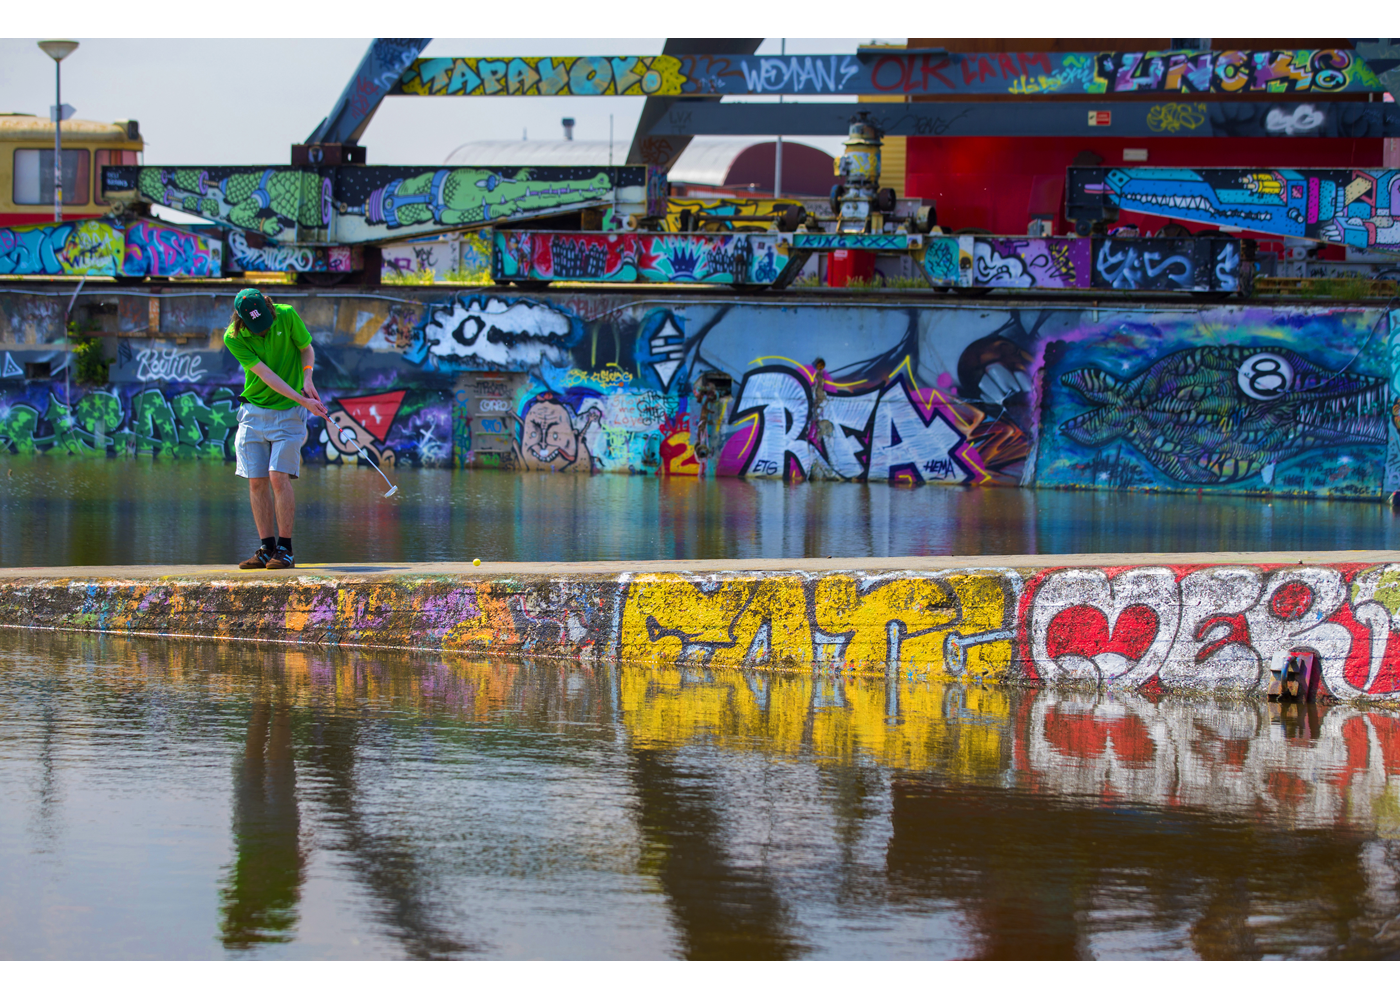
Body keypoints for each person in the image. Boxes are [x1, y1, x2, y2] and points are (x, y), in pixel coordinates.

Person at [224, 288, 330, 570]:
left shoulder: (286, 315)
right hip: (253, 413)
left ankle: (286, 549)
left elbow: (306, 348)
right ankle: (266, 548)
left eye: (265, 326)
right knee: (256, 479)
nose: (261, 332)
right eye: (254, 328)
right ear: (241, 321)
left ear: (270, 310)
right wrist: (304, 400)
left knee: (277, 476)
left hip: (288, 415)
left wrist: (307, 377)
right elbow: (267, 376)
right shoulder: (234, 337)